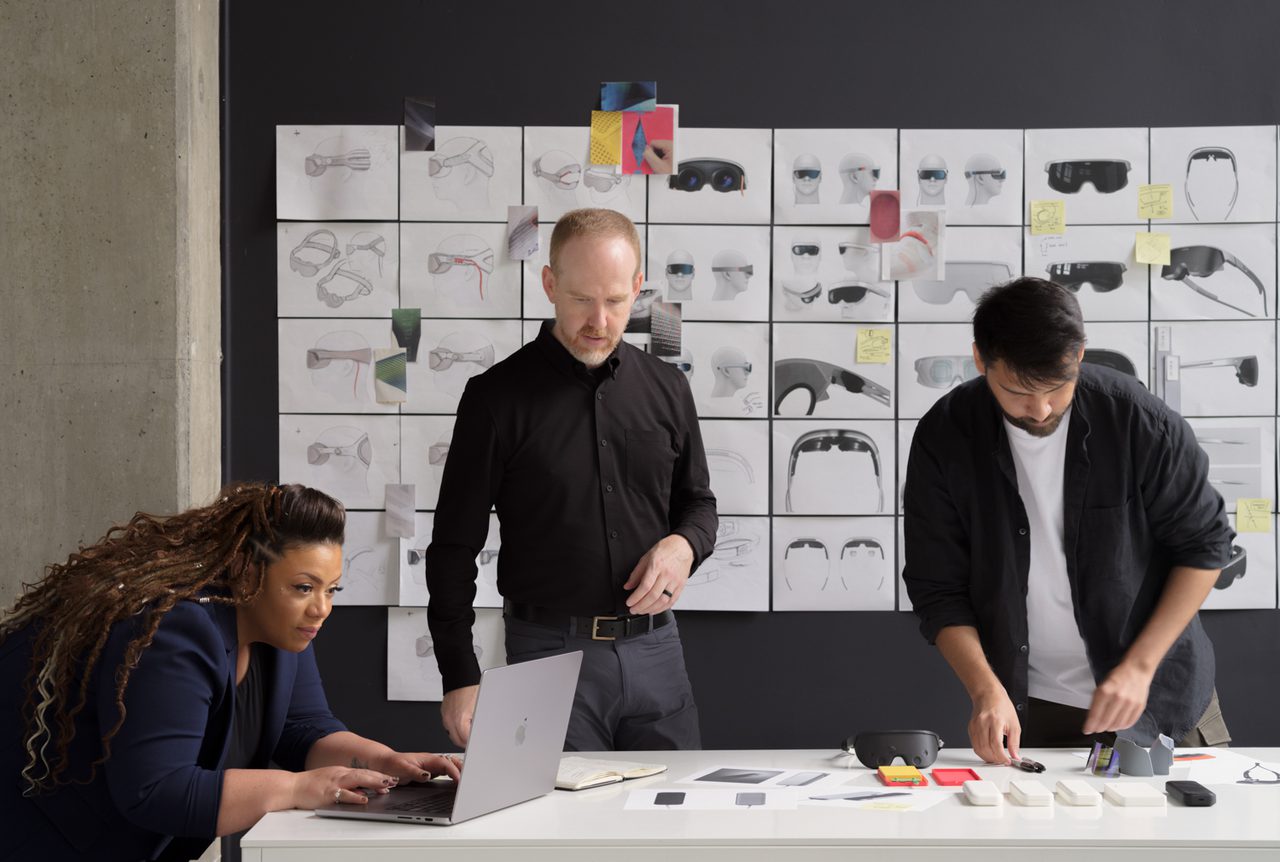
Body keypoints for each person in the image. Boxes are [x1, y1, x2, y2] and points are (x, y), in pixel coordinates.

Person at [0, 483, 460, 861]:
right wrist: (302, 788)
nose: (322, 608)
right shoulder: (176, 629)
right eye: (303, 587)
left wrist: (384, 762)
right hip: (49, 841)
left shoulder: (286, 628)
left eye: (331, 589)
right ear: (247, 573)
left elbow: (303, 729)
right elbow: (157, 790)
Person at [903, 277, 1233, 765]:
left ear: (1079, 355)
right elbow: (937, 589)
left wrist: (1139, 668)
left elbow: (1205, 548)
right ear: (980, 360)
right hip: (1032, 705)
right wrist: (983, 690)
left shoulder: (1139, 422)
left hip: (1159, 698)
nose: (1038, 410)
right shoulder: (945, 436)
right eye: (1015, 391)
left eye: (1056, 390)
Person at [425, 207, 717, 752]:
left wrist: (683, 546)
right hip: (546, 652)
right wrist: (459, 675)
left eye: (614, 301)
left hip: (658, 652)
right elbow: (452, 546)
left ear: (637, 288)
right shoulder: (495, 398)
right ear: (550, 285)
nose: (599, 321)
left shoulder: (668, 388)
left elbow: (698, 504)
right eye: (582, 299)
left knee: (677, 828)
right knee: (564, 832)